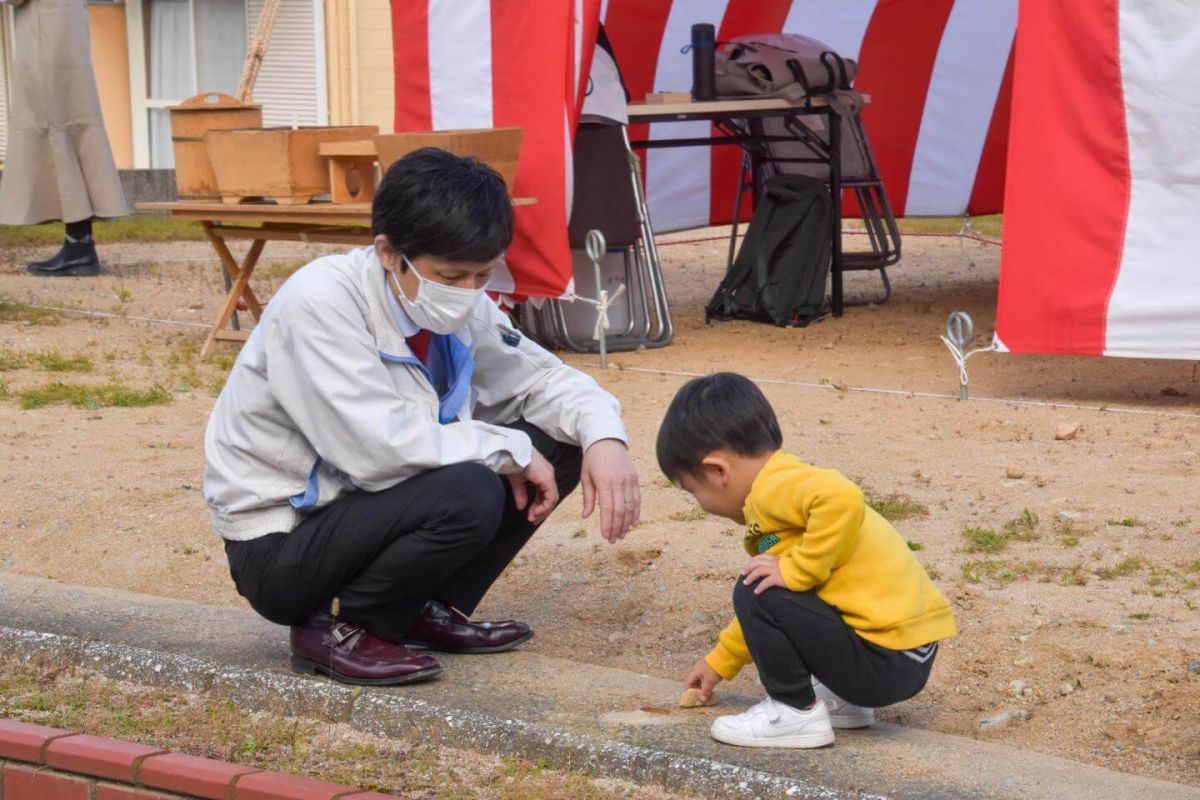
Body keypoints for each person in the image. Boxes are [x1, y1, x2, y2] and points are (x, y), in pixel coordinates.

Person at [204, 148, 641, 686]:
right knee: (471, 488)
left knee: (563, 439)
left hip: (367, 511)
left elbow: (541, 380)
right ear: (388, 252)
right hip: (285, 542)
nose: (467, 293)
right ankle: (338, 627)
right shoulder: (320, 302)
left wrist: (605, 438)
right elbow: (376, 451)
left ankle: (418, 607)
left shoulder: (455, 304)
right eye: (451, 275)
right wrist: (510, 449)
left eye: (482, 275)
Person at [656, 373, 955, 748]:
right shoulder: (783, 491)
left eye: (693, 490)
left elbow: (842, 496)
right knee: (770, 585)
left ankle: (793, 713)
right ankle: (843, 704)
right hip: (908, 655)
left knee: (755, 586)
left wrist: (797, 569)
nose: (699, 503)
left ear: (719, 471)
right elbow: (783, 610)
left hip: (885, 660)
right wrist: (720, 662)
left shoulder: (773, 487)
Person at [0, 0, 129, 276]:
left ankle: (79, 247)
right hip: (62, 28)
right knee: (71, 127)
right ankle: (79, 243)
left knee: (56, 131)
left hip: (46, 34)